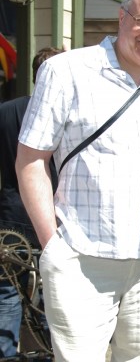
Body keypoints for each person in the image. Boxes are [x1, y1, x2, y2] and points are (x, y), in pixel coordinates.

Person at [15, 0, 140, 362]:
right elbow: (31, 161)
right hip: (82, 259)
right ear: (121, 17)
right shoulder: (65, 72)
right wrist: (52, 247)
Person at [0, 46, 63, 358]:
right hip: (52, 213)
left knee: (8, 288)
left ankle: (6, 353)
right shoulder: (64, 114)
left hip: (11, 213)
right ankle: (51, 350)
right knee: (54, 288)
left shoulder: (6, 110)